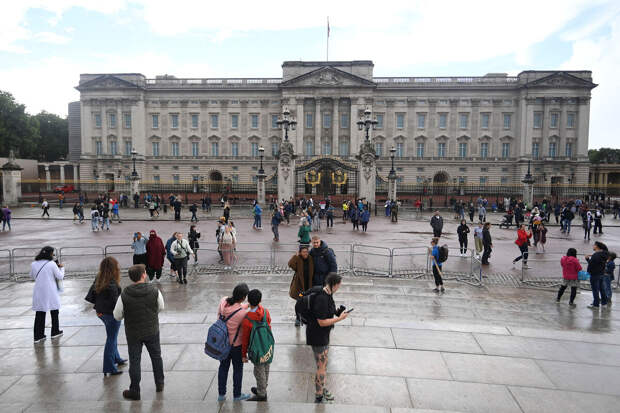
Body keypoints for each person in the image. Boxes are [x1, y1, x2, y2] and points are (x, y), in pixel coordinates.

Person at [113, 264, 165, 400]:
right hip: (152, 330)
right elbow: (161, 307)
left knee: (135, 360)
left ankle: (135, 390)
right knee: (156, 357)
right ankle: (159, 383)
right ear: (143, 275)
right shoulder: (154, 291)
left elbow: (117, 315)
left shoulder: (124, 294)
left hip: (133, 332)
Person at [306, 273, 348, 404]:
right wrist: (339, 319)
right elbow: (322, 322)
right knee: (321, 367)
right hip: (317, 336)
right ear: (334, 285)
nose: (339, 288)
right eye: (339, 285)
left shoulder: (327, 293)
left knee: (323, 365)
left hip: (323, 335)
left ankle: (321, 388)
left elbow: (329, 311)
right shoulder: (322, 299)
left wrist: (338, 312)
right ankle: (319, 396)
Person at [89, 257, 126, 376]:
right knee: (111, 338)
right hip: (111, 314)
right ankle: (109, 367)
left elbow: (93, 295)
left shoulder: (100, 277)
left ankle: (116, 358)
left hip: (101, 312)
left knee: (112, 336)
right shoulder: (112, 283)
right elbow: (116, 303)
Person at [217, 283, 251, 402]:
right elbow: (240, 311)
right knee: (237, 370)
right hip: (236, 346)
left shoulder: (223, 302)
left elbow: (236, 308)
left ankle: (221, 395)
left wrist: (246, 305)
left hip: (223, 344)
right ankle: (237, 395)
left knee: (223, 368)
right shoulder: (243, 313)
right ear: (243, 297)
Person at [240, 289, 273, 402]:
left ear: (248, 301)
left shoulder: (247, 319)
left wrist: (243, 355)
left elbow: (245, 339)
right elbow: (269, 326)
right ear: (260, 300)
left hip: (256, 348)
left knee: (258, 371)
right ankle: (262, 387)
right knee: (266, 366)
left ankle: (262, 394)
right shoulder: (265, 312)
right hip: (267, 345)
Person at [31, 246, 65, 343]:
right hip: (50, 290)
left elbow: (32, 276)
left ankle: (38, 336)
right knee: (54, 311)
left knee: (40, 313)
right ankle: (55, 331)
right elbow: (60, 276)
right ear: (50, 254)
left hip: (39, 290)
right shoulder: (51, 264)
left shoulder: (34, 264)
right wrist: (62, 268)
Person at [288, 245, 314, 326]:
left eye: (306, 252)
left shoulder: (310, 258)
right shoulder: (298, 259)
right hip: (299, 286)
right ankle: (298, 318)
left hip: (308, 285)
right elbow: (290, 264)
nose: (305, 253)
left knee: (307, 302)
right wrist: (295, 256)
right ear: (300, 253)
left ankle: (305, 317)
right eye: (303, 252)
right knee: (299, 302)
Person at [585, 241, 609, 309]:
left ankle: (596, 304)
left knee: (595, 290)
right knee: (602, 289)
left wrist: (587, 259)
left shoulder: (596, 255)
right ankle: (604, 303)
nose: (593, 246)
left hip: (595, 274)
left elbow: (591, 265)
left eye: (594, 245)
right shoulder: (604, 254)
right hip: (601, 274)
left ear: (597, 246)